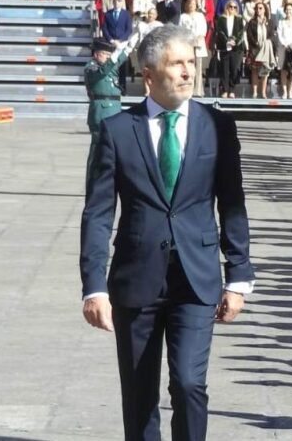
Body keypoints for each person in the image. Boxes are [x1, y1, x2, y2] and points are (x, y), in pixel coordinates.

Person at [81, 24, 253, 441]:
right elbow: (99, 212)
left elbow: (232, 203)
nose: (187, 72)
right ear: (149, 74)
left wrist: (240, 277)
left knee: (190, 384)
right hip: (136, 280)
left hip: (197, 278)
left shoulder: (218, 127)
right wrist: (93, 287)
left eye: (191, 63)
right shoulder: (118, 131)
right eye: (177, 63)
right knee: (139, 393)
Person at [102, 0, 133, 92]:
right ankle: (110, 87)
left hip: (122, 43)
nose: (116, 2)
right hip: (110, 43)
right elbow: (105, 28)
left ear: (122, 2)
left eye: (119, 1)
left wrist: (120, 40)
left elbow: (129, 30)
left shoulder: (126, 14)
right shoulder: (108, 14)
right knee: (110, 64)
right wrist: (111, 40)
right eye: (115, 1)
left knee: (122, 66)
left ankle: (122, 89)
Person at [178, 0, 208, 97]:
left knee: (198, 68)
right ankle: (187, 90)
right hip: (187, 44)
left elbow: (204, 29)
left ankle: (198, 90)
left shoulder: (200, 16)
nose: (191, 6)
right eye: (189, 4)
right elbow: (180, 30)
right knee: (187, 68)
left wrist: (198, 38)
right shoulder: (183, 16)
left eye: (193, 4)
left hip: (198, 44)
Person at [245, 1, 275, 98]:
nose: (259, 10)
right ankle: (255, 92)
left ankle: (263, 92)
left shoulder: (269, 22)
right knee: (255, 71)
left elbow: (271, 34)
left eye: (261, 8)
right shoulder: (252, 22)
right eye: (257, 8)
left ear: (265, 10)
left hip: (266, 49)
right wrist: (256, 43)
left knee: (265, 72)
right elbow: (249, 35)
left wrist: (266, 42)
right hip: (255, 49)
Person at [215, 1, 244, 98]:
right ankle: (225, 90)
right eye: (230, 6)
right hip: (224, 47)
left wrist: (234, 41)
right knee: (224, 69)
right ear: (227, 7)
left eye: (235, 7)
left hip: (236, 48)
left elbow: (241, 32)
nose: (232, 8)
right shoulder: (221, 19)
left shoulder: (239, 19)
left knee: (234, 69)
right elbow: (220, 31)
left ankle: (232, 89)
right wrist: (227, 41)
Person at [275, 2, 292, 100]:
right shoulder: (281, 22)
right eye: (287, 9)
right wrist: (284, 44)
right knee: (284, 70)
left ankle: (290, 92)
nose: (288, 11)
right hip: (283, 49)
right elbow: (279, 34)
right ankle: (284, 92)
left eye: (290, 9)